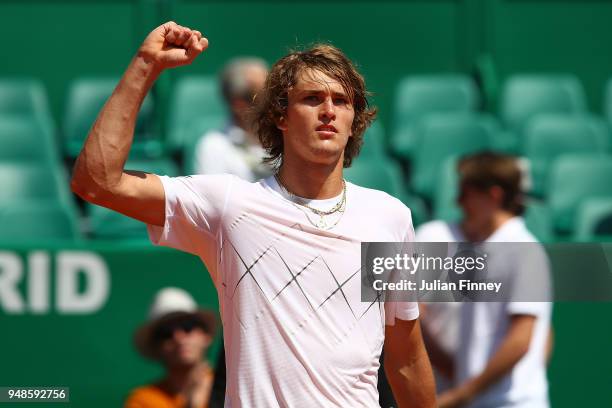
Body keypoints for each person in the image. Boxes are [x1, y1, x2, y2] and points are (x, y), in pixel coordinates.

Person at [71, 21, 436, 407]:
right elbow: (96, 181)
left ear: (353, 121)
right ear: (280, 116)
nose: (329, 111)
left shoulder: (390, 216)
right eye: (312, 98)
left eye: (342, 101)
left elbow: (407, 359)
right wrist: (146, 64)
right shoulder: (228, 205)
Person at [416, 152, 552, 408]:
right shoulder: (486, 248)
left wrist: (463, 393)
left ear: (494, 196)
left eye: (466, 193)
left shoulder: (525, 250)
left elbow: (522, 339)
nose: (458, 202)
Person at [125, 287, 217, 408]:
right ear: (156, 347)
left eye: (187, 326)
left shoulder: (234, 387)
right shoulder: (142, 401)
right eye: (166, 332)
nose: (179, 338)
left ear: (206, 336)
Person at [193, 57, 272, 181]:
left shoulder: (288, 138)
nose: (275, 102)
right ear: (239, 104)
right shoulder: (214, 146)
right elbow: (211, 198)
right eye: (264, 96)